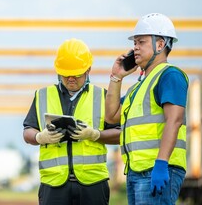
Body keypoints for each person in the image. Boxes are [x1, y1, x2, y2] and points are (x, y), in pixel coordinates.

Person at [23, 38, 121, 205]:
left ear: (88, 69)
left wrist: (95, 134)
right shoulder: (42, 96)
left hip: (93, 183)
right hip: (53, 185)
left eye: (76, 74)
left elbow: (120, 134)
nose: (71, 79)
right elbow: (27, 132)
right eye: (66, 74)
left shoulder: (102, 96)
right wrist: (40, 137)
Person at [105, 13, 188, 204]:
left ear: (160, 45)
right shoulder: (138, 87)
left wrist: (161, 163)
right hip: (136, 172)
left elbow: (174, 120)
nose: (135, 47)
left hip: (157, 170)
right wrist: (116, 77)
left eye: (141, 42)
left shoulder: (170, 75)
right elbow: (111, 116)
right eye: (134, 42)